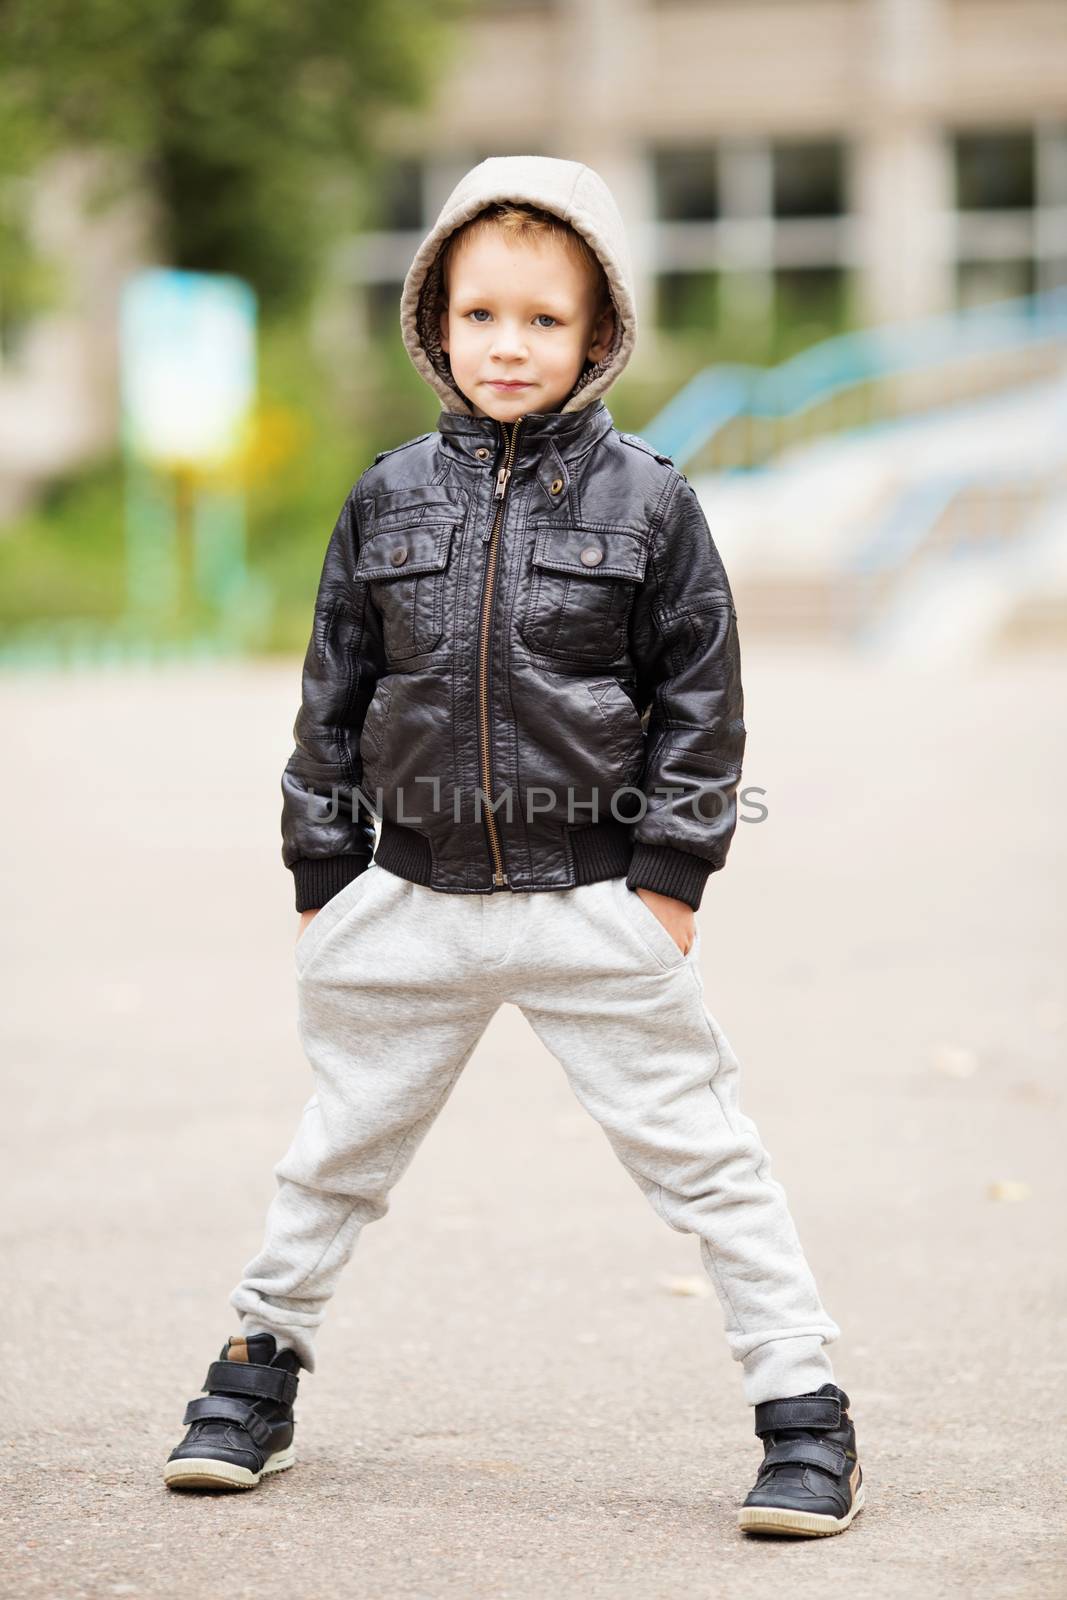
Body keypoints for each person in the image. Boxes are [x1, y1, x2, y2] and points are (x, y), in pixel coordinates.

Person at [163, 155, 864, 1538]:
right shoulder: (386, 497)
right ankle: (257, 1372)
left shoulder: (652, 505)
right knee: (333, 1155)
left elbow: (703, 706)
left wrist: (667, 882)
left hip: (594, 899)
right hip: (406, 898)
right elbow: (331, 697)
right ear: (435, 318)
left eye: (545, 319)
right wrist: (323, 878)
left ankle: (805, 1412)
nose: (510, 343)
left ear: (600, 335)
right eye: (482, 313)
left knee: (706, 1158)